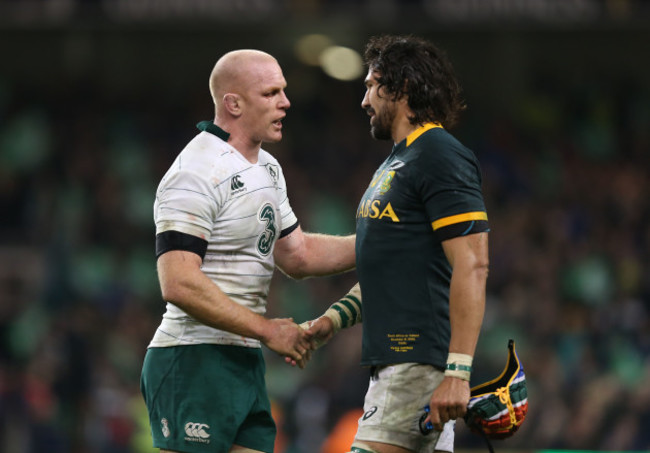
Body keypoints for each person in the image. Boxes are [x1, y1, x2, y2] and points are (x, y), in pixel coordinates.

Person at [140, 49, 356, 453]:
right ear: (233, 103)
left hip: (244, 360)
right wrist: (267, 329)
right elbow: (179, 283)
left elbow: (299, 255)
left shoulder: (268, 168)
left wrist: (381, 244)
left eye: (284, 91)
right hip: (192, 358)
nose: (285, 102)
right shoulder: (194, 170)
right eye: (271, 93)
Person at [303, 35, 490, 453]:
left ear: (402, 88)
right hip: (397, 366)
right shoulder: (397, 161)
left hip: (417, 364)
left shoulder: (439, 153)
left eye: (371, 85)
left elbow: (473, 264)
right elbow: (392, 269)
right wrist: (331, 320)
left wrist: (458, 371)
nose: (365, 101)